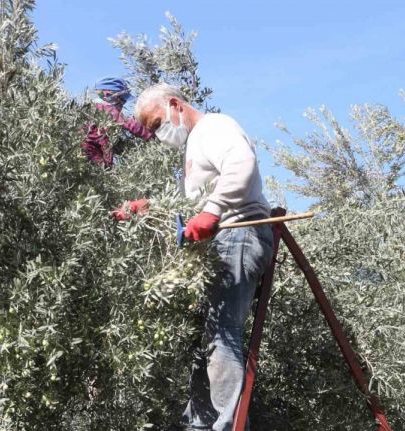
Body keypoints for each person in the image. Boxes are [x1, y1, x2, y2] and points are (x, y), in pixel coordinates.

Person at [116, 83, 273, 431]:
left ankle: (230, 424)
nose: (159, 135)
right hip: (226, 238)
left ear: (175, 104)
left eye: (158, 124)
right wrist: (148, 208)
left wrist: (213, 211)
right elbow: (191, 207)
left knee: (222, 333)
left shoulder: (213, 127)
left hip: (241, 232)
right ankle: (201, 423)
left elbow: (242, 163)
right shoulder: (194, 146)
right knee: (207, 336)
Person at [82, 77, 154, 168]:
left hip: (94, 153)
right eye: (121, 98)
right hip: (91, 155)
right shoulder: (106, 109)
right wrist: (153, 135)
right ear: (108, 95)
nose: (123, 102)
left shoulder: (94, 108)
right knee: (103, 171)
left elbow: (103, 138)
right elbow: (131, 125)